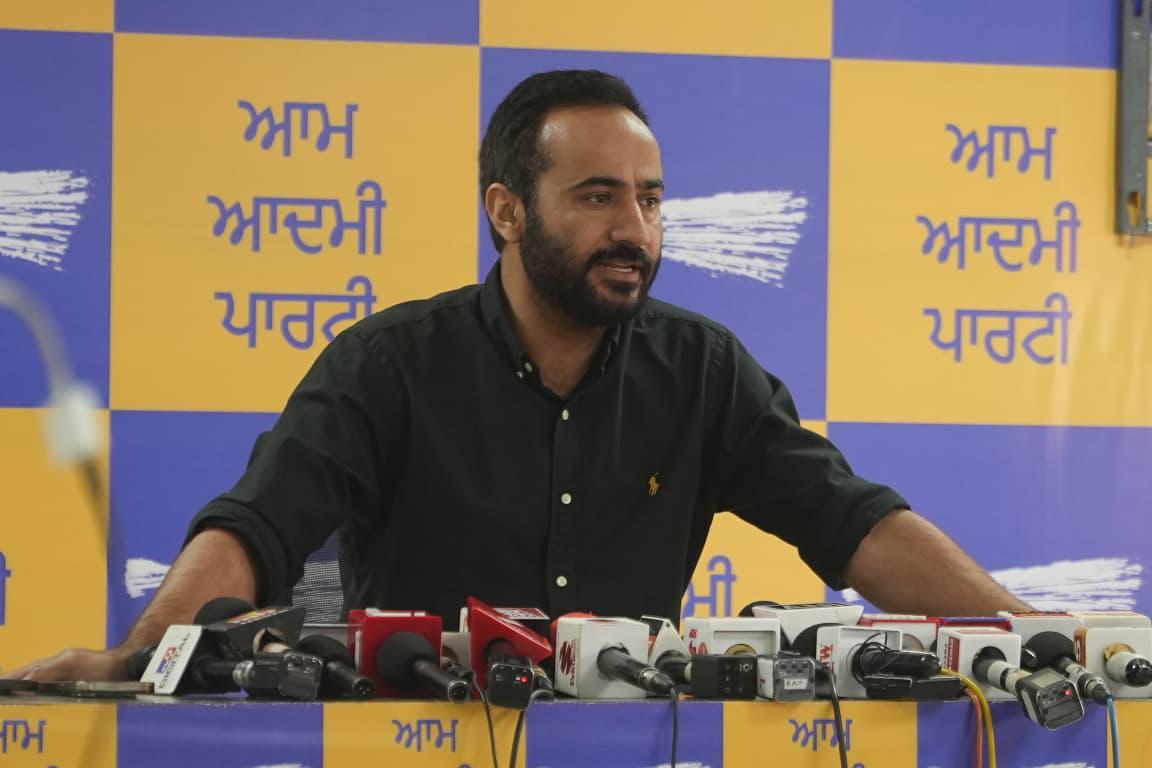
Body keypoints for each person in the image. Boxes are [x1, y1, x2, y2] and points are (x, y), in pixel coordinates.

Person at [7, 69, 1030, 683]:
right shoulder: (390, 365)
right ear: (506, 211)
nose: (635, 229)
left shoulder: (702, 369)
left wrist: (1031, 635)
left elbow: (853, 524)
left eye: (651, 199)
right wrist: (136, 656)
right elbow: (257, 529)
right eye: (597, 197)